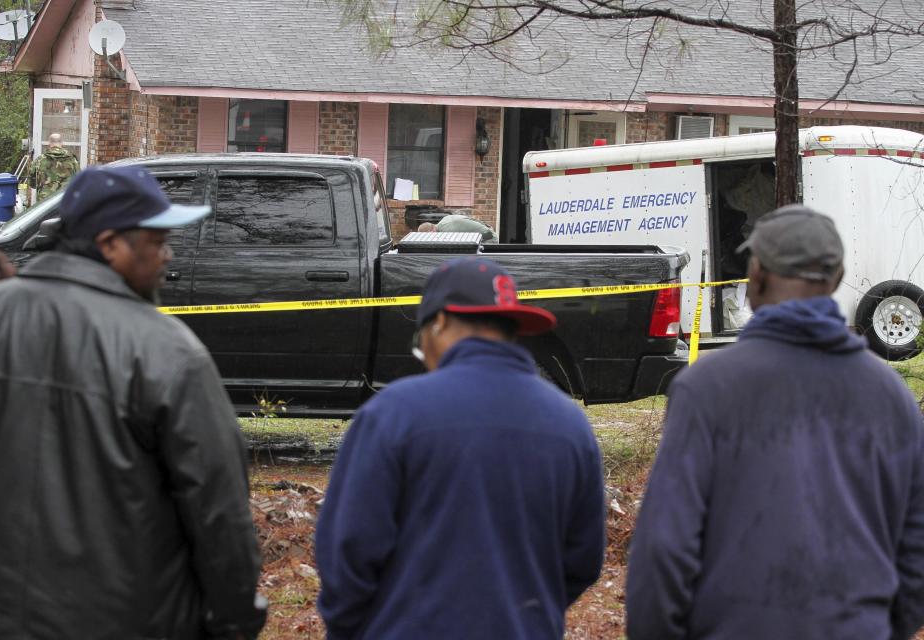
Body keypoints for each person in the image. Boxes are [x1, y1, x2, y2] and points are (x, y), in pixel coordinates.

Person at [0, 166, 266, 639]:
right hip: (125, 620)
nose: (168, 256)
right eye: (157, 241)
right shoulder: (168, 351)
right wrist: (235, 620)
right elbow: (220, 515)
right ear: (110, 244)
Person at [625, 205, 924, 640]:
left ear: (756, 275)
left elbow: (665, 547)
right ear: (837, 278)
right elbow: (917, 547)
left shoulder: (707, 388)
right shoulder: (890, 396)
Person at [316, 256, 605, 639]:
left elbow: (349, 550)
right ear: (511, 330)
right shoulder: (570, 425)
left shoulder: (393, 413)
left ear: (438, 323)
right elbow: (583, 559)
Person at [28, 132, 81, 201]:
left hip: (44, 202)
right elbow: (79, 181)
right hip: (65, 201)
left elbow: (32, 182)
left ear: (49, 143)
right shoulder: (72, 160)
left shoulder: (39, 160)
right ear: (62, 143)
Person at [418, 213, 498, 242]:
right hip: (488, 231)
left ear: (432, 232)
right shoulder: (445, 219)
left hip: (489, 238)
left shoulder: (446, 233)